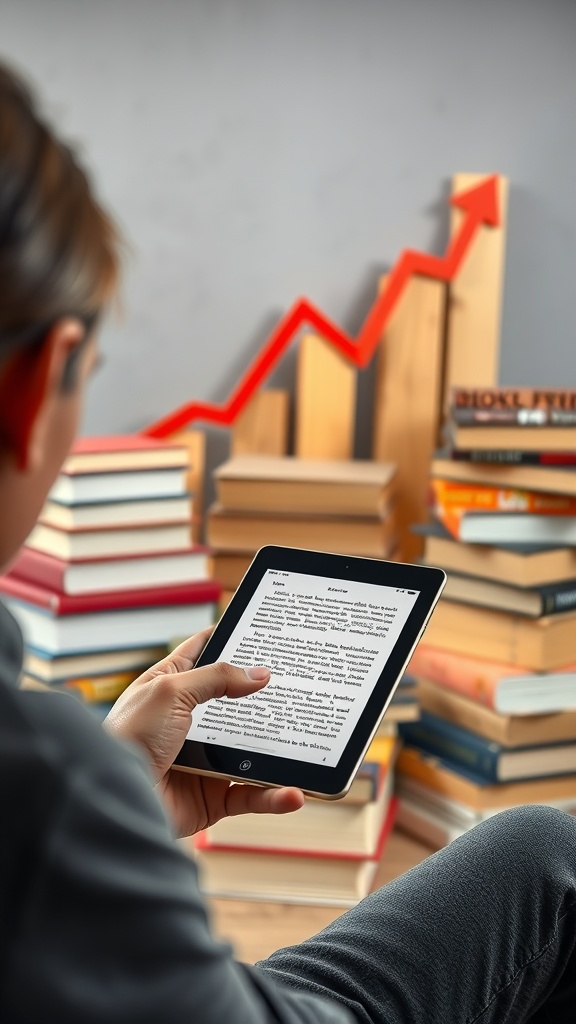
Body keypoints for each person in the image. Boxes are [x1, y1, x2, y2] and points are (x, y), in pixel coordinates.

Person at [0, 61, 574, 1024]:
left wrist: (122, 805)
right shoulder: (40, 778)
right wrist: (89, 805)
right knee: (540, 858)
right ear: (38, 385)